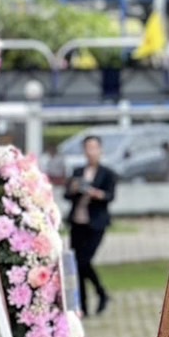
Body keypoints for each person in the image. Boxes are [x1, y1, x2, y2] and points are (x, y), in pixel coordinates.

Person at [65, 135, 117, 317]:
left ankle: (101, 293)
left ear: (100, 149)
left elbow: (110, 196)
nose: (91, 151)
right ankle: (83, 305)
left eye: (94, 147)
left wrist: (97, 194)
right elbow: (67, 195)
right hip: (77, 222)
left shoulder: (107, 173)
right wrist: (73, 189)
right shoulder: (78, 171)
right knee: (76, 265)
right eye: (88, 147)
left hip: (96, 223)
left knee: (84, 261)